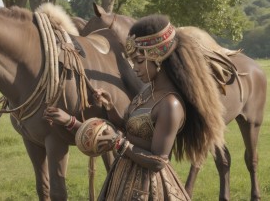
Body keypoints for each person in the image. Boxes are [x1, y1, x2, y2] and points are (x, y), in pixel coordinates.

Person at [43, 14, 227, 200]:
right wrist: (108, 108)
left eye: (139, 61)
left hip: (148, 188)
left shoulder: (170, 104)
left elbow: (158, 161)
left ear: (158, 59)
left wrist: (118, 143)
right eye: (132, 61)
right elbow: (127, 128)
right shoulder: (147, 93)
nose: (134, 68)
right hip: (122, 178)